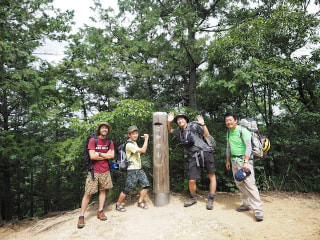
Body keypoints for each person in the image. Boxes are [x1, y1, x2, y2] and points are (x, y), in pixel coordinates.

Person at [168, 112, 217, 210]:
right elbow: (169, 130)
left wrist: (203, 124)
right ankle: (193, 197)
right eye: (177, 120)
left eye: (181, 119)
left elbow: (206, 135)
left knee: (211, 175)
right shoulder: (180, 132)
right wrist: (169, 122)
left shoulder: (194, 126)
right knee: (191, 179)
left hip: (205, 152)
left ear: (186, 120)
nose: (179, 121)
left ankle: (211, 199)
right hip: (193, 156)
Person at [224, 113, 264, 221]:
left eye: (230, 120)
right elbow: (228, 147)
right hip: (234, 161)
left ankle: (258, 210)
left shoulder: (243, 131)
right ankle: (247, 204)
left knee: (250, 184)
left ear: (235, 120)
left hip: (244, 161)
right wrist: (227, 160)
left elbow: (248, 147)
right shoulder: (228, 132)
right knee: (239, 183)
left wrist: (246, 162)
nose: (228, 122)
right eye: (227, 120)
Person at [77, 122, 115, 229]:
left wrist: (99, 154)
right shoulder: (93, 140)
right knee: (88, 193)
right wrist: (105, 155)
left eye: (106, 128)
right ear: (99, 130)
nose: (104, 129)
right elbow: (92, 156)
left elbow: (112, 155)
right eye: (102, 128)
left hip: (105, 170)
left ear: (108, 130)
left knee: (103, 190)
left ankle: (100, 211)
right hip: (93, 171)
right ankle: (81, 216)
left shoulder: (109, 141)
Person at [115, 125, 150, 212]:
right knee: (128, 189)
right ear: (129, 135)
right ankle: (118, 204)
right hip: (132, 170)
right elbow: (143, 150)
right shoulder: (129, 145)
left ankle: (140, 202)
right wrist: (146, 139)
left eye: (136, 133)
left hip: (139, 169)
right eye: (133, 134)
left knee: (146, 185)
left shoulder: (134, 143)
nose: (135, 135)